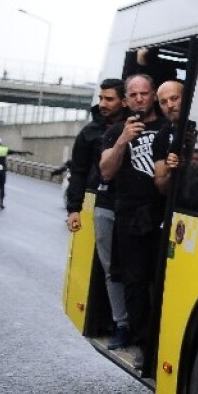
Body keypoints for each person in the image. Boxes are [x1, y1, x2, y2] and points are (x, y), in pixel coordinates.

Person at [99, 74, 168, 367]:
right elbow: (105, 171)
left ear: (153, 95)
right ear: (126, 100)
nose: (140, 99)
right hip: (130, 214)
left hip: (162, 213)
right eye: (134, 95)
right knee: (135, 282)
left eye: (145, 93)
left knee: (159, 280)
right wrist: (124, 141)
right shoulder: (116, 130)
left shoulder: (168, 127)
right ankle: (142, 343)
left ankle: (161, 341)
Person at [65, 79, 129, 346]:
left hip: (134, 207)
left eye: (109, 99)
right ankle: (121, 324)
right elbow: (77, 172)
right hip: (103, 205)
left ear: (123, 101)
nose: (102, 104)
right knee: (110, 268)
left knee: (135, 269)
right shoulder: (90, 132)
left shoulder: (137, 127)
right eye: (101, 98)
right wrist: (74, 209)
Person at [0, 136, 32, 210]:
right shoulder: (5, 149)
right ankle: (1, 203)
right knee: (2, 187)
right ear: (0, 143)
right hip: (1, 169)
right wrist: (25, 152)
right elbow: (15, 152)